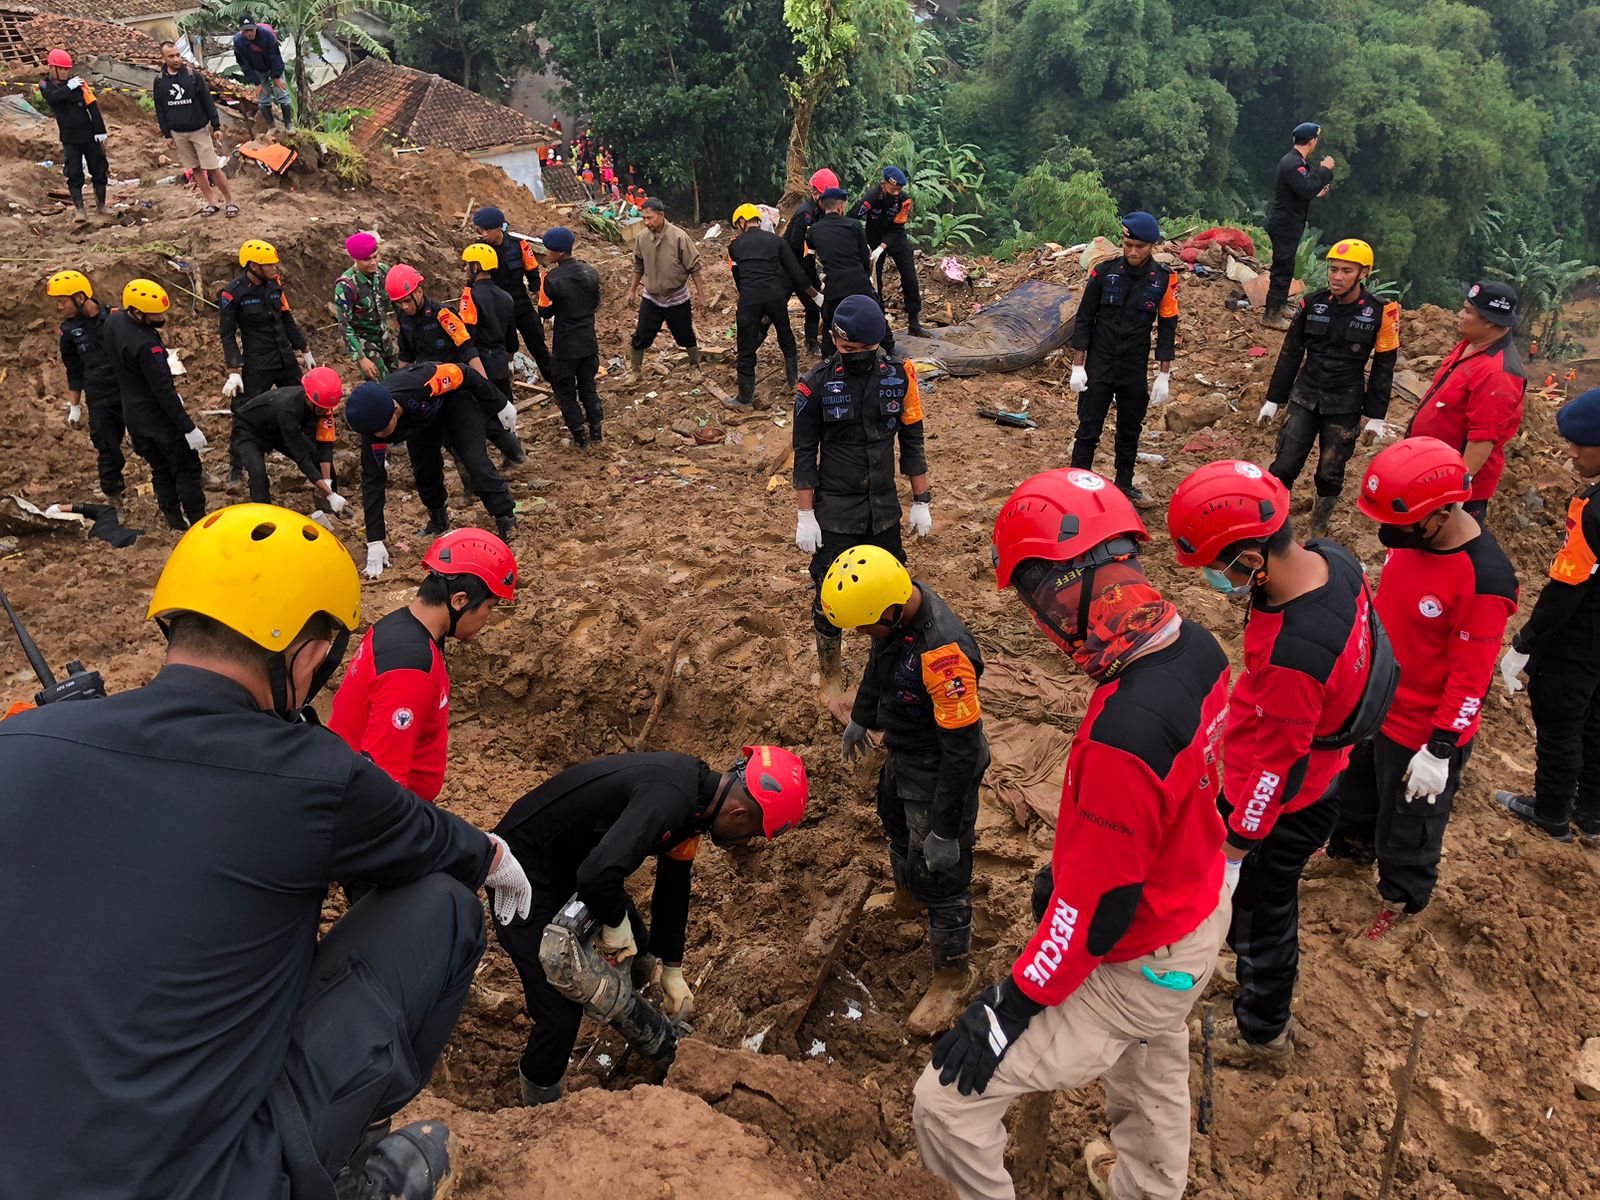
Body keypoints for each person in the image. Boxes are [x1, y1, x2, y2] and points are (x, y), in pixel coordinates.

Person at [0, 501, 535, 1200]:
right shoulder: (312, 775)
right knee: (443, 906)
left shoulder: (19, 745)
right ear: (308, 654)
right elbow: (433, 841)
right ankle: (335, 1172)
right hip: (211, 1180)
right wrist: (490, 855)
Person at [913, 467, 1232, 1200]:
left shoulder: (1123, 732)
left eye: (1037, 594)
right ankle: (1149, 1188)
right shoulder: (1198, 648)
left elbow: (1096, 914)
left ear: (1072, 582)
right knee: (1153, 1057)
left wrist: (1011, 1005)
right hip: (1194, 913)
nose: (1042, 617)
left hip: (1137, 951)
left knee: (946, 1104)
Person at [1167, 460, 1382, 1065]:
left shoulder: (1296, 657)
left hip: (1286, 802)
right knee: (1263, 905)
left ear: (1251, 559)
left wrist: (1239, 845)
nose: (1215, 579)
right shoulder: (1332, 560)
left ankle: (1264, 1031)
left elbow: (1275, 771)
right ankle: (1252, 971)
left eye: (1217, 567)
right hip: (1320, 767)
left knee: (1262, 911)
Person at [491, 746, 809, 1105]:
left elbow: (674, 883)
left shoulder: (698, 805)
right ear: (739, 814)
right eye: (752, 832)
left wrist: (671, 966)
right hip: (521, 867)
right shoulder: (670, 799)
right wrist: (615, 922)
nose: (746, 841)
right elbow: (597, 877)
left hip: (573, 861)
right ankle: (540, 1106)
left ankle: (629, 1011)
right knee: (560, 1020)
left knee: (639, 949)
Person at [1328, 438, 1518, 941]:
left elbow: (1470, 678)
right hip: (1376, 704)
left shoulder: (1483, 580)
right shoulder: (1415, 540)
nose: (1389, 535)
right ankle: (1348, 853)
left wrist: (1440, 748)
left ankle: (1401, 899)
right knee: (1356, 795)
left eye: (1402, 524)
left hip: (1421, 731)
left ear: (1442, 512)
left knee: (1410, 824)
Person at [825, 546, 988, 1033]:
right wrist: (861, 717)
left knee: (943, 871)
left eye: (864, 626)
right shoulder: (897, 616)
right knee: (895, 824)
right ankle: (907, 897)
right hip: (904, 751)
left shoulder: (944, 655)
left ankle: (952, 976)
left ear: (891, 611)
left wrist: (945, 829)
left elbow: (962, 752)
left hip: (940, 770)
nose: (861, 635)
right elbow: (879, 664)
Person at [793, 295, 929, 692]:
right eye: (849, 349)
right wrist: (805, 515)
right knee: (829, 594)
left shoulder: (900, 377)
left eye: (866, 349)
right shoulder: (816, 384)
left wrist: (921, 501)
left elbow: (913, 441)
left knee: (891, 592)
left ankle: (884, 670)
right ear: (835, 340)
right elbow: (805, 452)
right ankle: (831, 678)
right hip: (836, 510)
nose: (857, 356)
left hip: (883, 508)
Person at [330, 528, 516, 804]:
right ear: (460, 600)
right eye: (490, 606)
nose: (488, 618)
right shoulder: (410, 667)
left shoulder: (400, 625)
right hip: (377, 811)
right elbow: (381, 786)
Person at [1495, 387, 1600, 843]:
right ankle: (1592, 814)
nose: (1570, 453)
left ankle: (1551, 812)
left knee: (1560, 719)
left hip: (1580, 635)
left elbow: (1566, 587)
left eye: (1580, 444)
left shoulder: (1593, 511)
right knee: (1595, 721)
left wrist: (1527, 642)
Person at [1258, 239, 1400, 532]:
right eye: (1333, 269)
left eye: (1346, 271)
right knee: (1284, 465)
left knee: (1330, 472)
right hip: (1305, 396)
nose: (1337, 277)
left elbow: (1384, 366)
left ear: (1363, 273)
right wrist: (1274, 399)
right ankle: (1271, 526)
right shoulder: (1312, 303)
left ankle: (1317, 529)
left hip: (1345, 403)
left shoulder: (1381, 312)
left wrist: (1376, 416)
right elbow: (1291, 352)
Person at [344, 362, 517, 574]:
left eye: (381, 431)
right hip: (421, 423)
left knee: (474, 460)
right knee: (424, 469)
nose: (378, 436)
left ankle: (506, 519)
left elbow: (463, 372)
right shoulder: (373, 429)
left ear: (394, 410)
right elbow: (373, 480)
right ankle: (438, 519)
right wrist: (375, 540)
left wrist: (499, 402)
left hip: (455, 404)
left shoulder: (423, 381)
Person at [1066, 211, 1178, 505]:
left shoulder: (1163, 279)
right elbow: (1085, 318)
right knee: (1089, 427)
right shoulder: (1104, 272)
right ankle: (1076, 485)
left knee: (1130, 429)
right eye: (1128, 245)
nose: (1132, 252)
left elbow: (1168, 326)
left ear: (1152, 246)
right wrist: (1078, 364)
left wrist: (1164, 373)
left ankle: (1124, 484)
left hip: (1133, 364)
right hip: (1100, 361)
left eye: (1139, 246)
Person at [1405, 281, 1526, 521]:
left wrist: (1457, 488)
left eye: (1468, 311)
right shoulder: (1471, 345)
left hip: (1449, 486)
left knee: (1439, 542)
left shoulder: (1499, 373)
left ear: (1489, 321)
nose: (1460, 315)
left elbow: (1483, 438)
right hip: (1428, 471)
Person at [106, 278, 209, 530]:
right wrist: (188, 428)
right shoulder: (147, 346)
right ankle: (198, 520)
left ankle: (173, 517)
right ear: (137, 313)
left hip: (133, 415)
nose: (161, 318)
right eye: (155, 315)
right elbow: (163, 391)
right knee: (186, 468)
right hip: (159, 420)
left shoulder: (114, 321)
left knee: (160, 469)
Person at [727, 202, 819, 409]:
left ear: (741, 222)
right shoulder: (776, 241)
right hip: (775, 296)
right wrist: (814, 294)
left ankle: (744, 398)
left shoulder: (734, 246)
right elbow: (795, 272)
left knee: (746, 346)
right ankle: (793, 380)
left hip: (750, 298)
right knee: (785, 335)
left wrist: (749, 299)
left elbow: (738, 278)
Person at [48, 269, 127, 503]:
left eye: (63, 301)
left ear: (80, 298)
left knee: (156, 436)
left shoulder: (116, 318)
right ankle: (115, 499)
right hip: (99, 396)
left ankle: (187, 476)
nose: (59, 307)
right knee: (107, 447)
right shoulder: (69, 331)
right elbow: (73, 370)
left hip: (128, 389)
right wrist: (75, 407)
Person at [232, 366, 348, 510]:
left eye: (327, 408)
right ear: (309, 399)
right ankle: (264, 515)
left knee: (317, 459)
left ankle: (333, 509)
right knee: (258, 474)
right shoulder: (289, 411)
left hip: (277, 428)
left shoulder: (323, 406)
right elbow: (302, 458)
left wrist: (327, 481)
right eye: (322, 408)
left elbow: (324, 445)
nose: (325, 412)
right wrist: (329, 494)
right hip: (249, 429)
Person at [469, 205, 557, 384]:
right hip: (496, 310)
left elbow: (533, 274)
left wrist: (545, 303)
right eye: (480, 230)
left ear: (499, 228)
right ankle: (504, 386)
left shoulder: (519, 245)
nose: (483, 234)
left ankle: (556, 382)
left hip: (521, 305)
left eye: (487, 230)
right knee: (500, 350)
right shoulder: (479, 251)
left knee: (538, 345)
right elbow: (472, 282)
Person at [536, 225, 604, 451]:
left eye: (549, 250)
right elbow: (595, 303)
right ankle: (596, 432)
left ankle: (580, 438)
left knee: (565, 392)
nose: (547, 253)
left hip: (565, 346)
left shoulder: (550, 279)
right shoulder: (590, 272)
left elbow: (545, 312)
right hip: (588, 342)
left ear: (559, 252)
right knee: (588, 387)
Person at [459, 243, 527, 466]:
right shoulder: (506, 296)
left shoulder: (470, 297)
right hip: (499, 362)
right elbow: (511, 338)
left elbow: (467, 336)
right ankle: (513, 456)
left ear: (476, 266)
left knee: (477, 416)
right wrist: (509, 361)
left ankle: (492, 461)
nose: (465, 269)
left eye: (467, 265)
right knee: (505, 409)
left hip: (479, 363)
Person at [1262, 122, 1335, 330]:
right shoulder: (1294, 163)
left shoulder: (1296, 161)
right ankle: (1271, 315)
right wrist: (1325, 170)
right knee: (1282, 267)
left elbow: (1302, 190)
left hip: (1289, 223)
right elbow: (1305, 189)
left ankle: (1280, 305)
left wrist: (1315, 192)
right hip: (1285, 224)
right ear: (1312, 142)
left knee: (1287, 265)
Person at [153, 41, 237, 217]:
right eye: (171, 56)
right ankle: (212, 202)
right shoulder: (160, 81)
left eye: (178, 55)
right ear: (163, 58)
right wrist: (167, 134)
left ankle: (230, 202)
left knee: (213, 167)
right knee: (195, 169)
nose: (176, 59)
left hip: (199, 130)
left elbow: (207, 101)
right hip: (178, 133)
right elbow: (160, 109)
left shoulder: (192, 75)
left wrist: (216, 125)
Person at [626, 197, 704, 380]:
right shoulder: (642, 238)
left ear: (661, 215)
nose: (647, 222)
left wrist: (701, 296)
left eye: (650, 218)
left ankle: (695, 367)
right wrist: (632, 290)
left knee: (685, 334)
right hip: (652, 297)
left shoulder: (679, 237)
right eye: (644, 218)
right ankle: (635, 371)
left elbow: (694, 267)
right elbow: (638, 266)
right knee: (641, 335)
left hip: (677, 296)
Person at [807, 186, 887, 357]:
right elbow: (864, 257)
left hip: (834, 287)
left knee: (830, 325)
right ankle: (891, 351)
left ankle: (828, 363)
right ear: (841, 206)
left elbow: (808, 262)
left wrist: (817, 287)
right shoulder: (854, 225)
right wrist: (866, 278)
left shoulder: (814, 230)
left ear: (824, 206)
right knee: (876, 314)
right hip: (858, 283)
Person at [852, 165, 924, 336]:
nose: (896, 193)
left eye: (899, 189)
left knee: (910, 277)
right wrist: (863, 244)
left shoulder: (904, 200)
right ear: (883, 183)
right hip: (873, 240)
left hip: (896, 238)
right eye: (893, 189)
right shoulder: (871, 198)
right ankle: (880, 324)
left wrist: (882, 247)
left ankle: (914, 323)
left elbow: (898, 227)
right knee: (875, 283)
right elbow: (852, 218)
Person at [38, 49, 108, 222]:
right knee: (74, 173)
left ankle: (101, 205)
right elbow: (52, 98)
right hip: (69, 138)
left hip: (88, 135)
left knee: (99, 169)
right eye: (61, 69)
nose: (64, 72)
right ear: (52, 68)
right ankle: (80, 210)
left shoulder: (80, 84)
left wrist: (100, 129)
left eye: (66, 69)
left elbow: (93, 106)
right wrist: (68, 88)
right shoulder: (45, 85)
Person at [786, 167, 838, 354]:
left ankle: (811, 342)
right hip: (789, 266)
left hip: (804, 265)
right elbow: (796, 247)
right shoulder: (805, 213)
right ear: (816, 194)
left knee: (812, 307)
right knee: (774, 309)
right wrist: (808, 280)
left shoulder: (821, 212)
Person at [335, 231, 399, 381]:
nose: (373, 263)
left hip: (386, 340)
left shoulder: (383, 272)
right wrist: (361, 358)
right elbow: (345, 326)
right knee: (384, 385)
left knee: (400, 378)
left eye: (375, 256)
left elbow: (396, 303)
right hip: (365, 345)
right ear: (355, 259)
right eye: (367, 259)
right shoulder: (346, 286)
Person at [233, 16, 291, 131]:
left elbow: (275, 56)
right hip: (258, 70)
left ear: (255, 28)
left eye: (251, 30)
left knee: (282, 94)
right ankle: (271, 127)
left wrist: (276, 77)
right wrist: (256, 82)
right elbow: (243, 63)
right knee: (263, 99)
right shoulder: (238, 42)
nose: (249, 33)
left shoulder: (266, 35)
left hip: (273, 67)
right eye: (246, 31)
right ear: (242, 31)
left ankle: (288, 126)